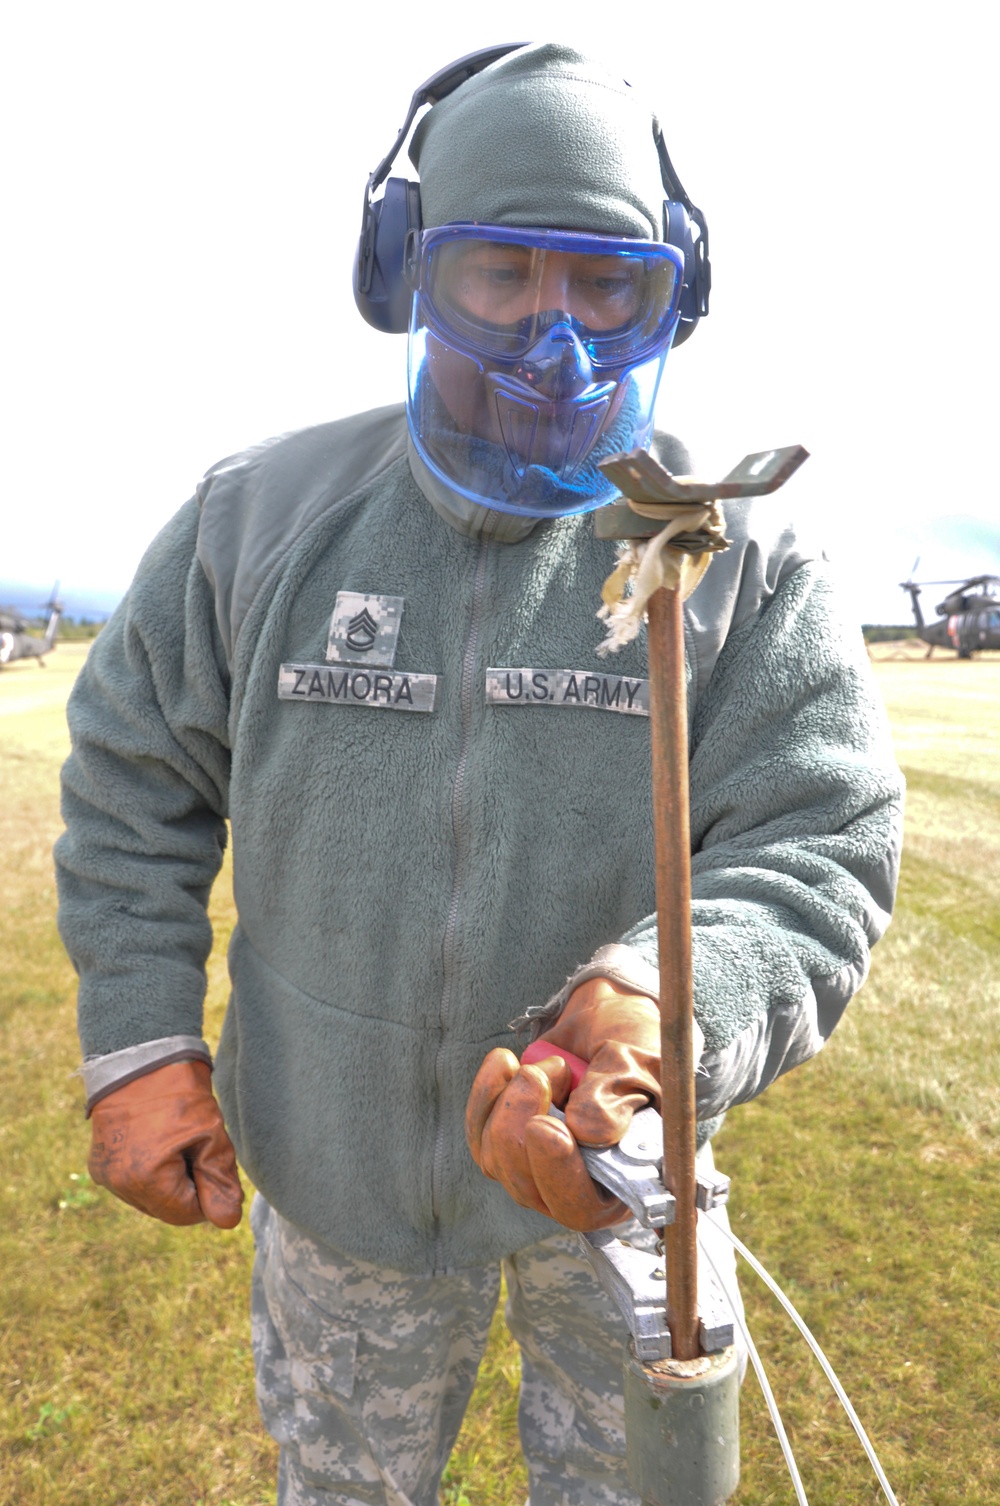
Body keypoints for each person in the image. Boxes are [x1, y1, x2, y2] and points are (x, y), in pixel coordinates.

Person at [55, 42, 904, 1506]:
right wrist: (139, 1041)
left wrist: (658, 1015)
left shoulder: (741, 562)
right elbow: (136, 779)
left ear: (670, 291)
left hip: (623, 1196)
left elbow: (821, 836)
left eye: (604, 283)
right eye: (499, 274)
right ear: (404, 271)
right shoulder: (255, 522)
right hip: (339, 1197)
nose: (554, 335)